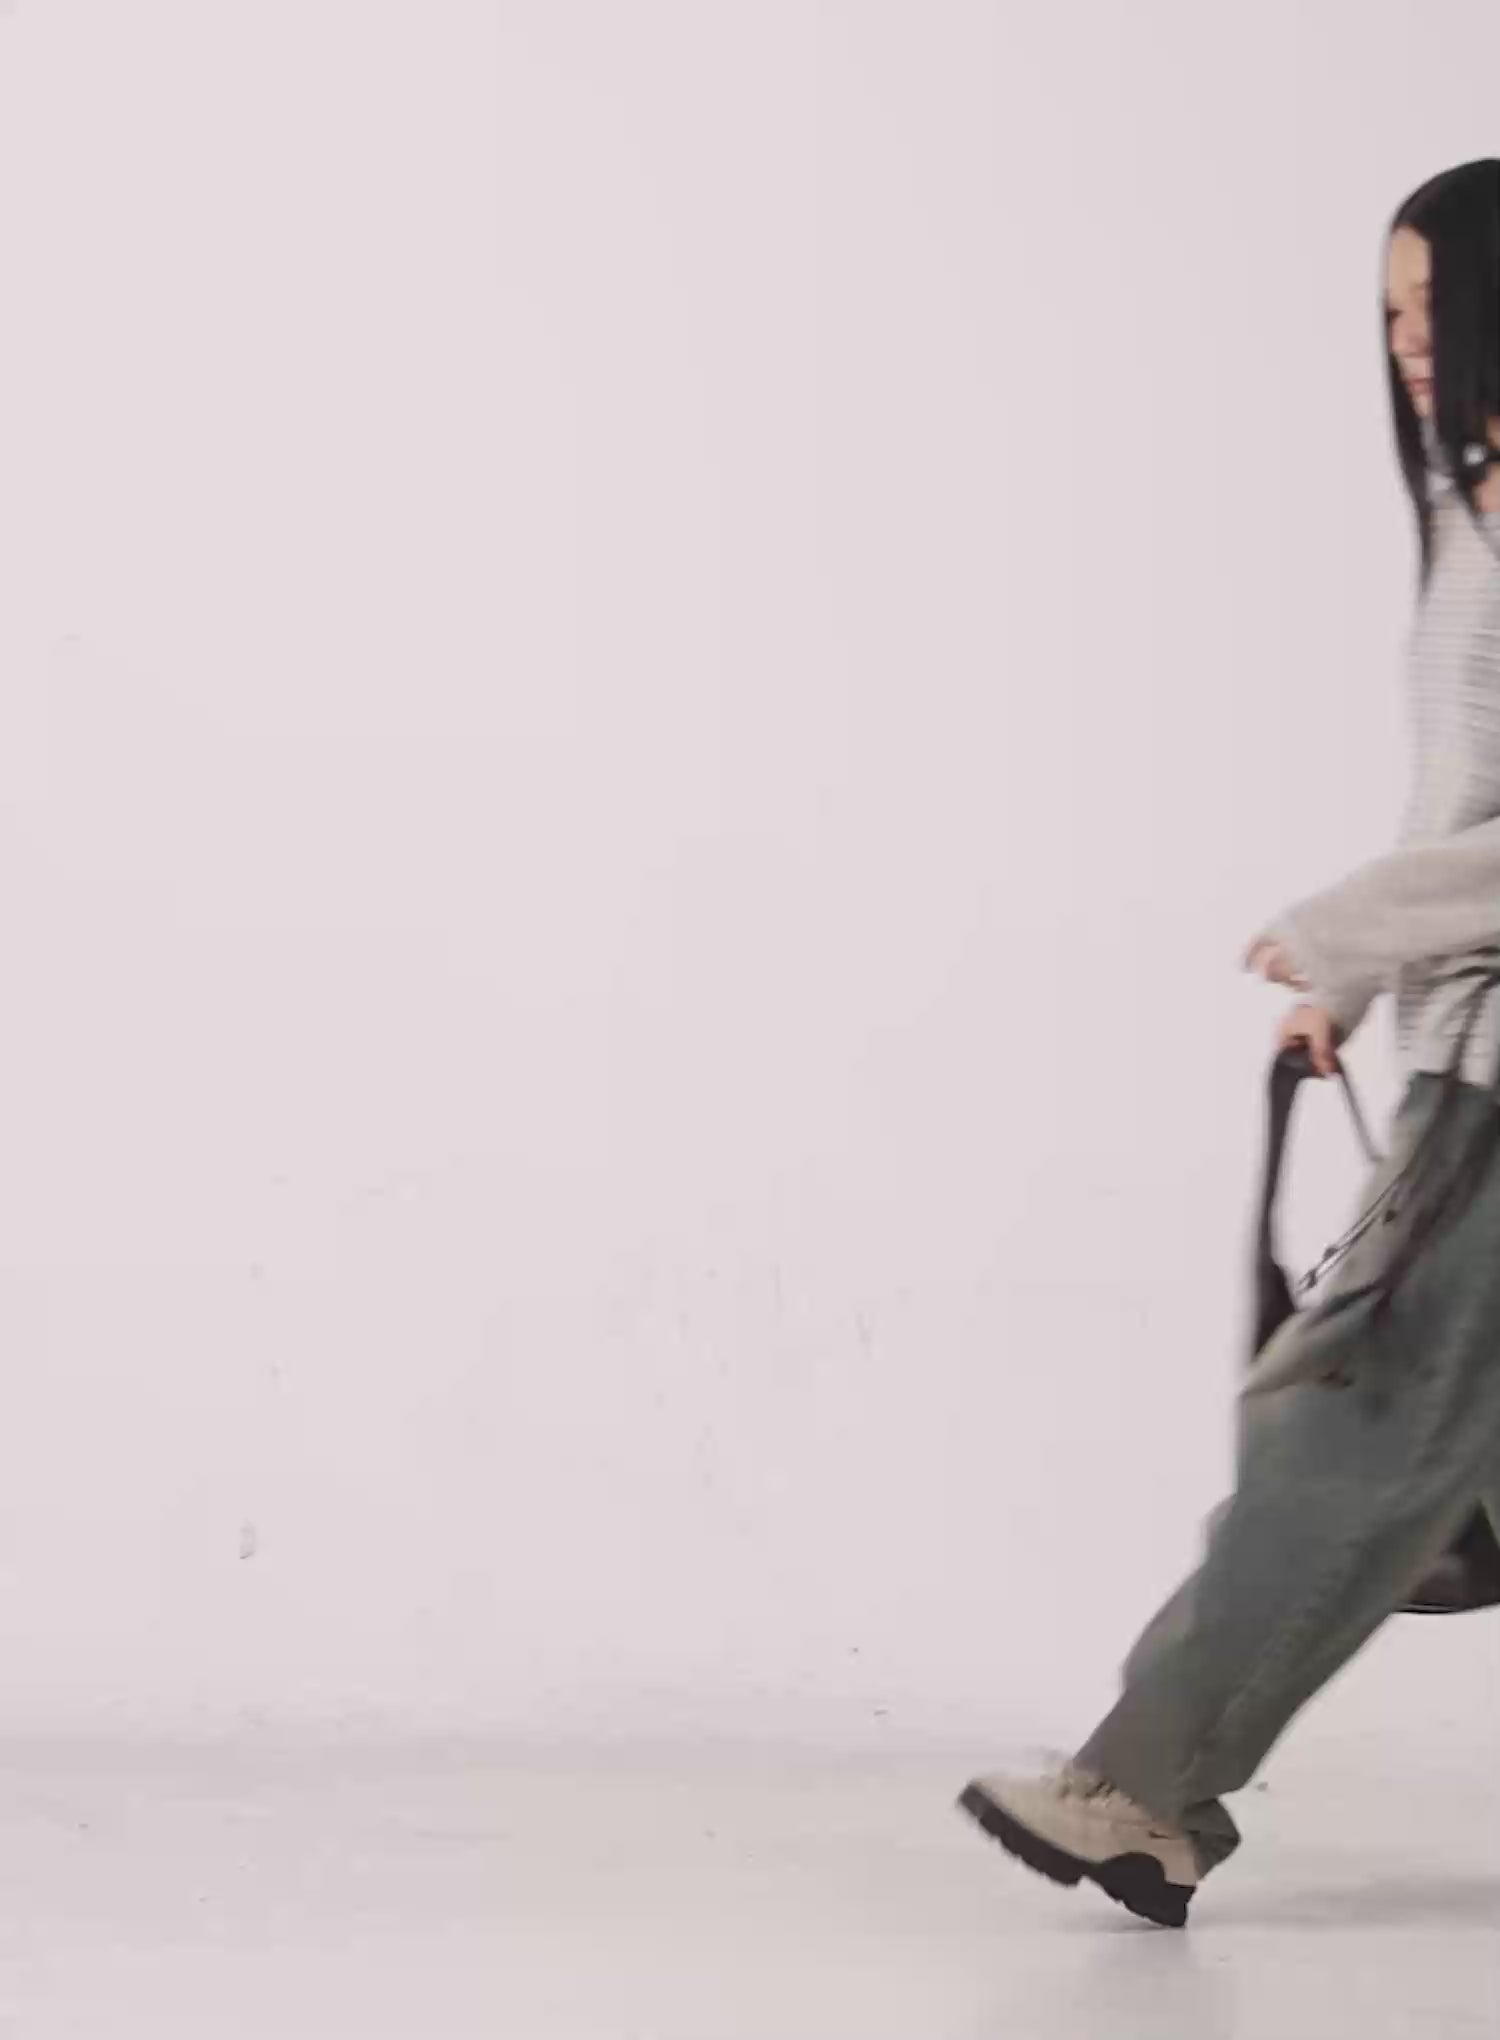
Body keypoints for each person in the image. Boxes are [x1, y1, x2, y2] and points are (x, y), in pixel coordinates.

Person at [956, 158, 1500, 1929]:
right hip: (1461, 1050)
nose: (1406, 341)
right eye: (1390, 310)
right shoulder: (1471, 515)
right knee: (1401, 1437)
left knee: (1341, 1430)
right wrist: (1357, 985)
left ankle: (1143, 1792)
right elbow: (1465, 803)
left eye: (1436, 303)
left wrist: (1352, 924)